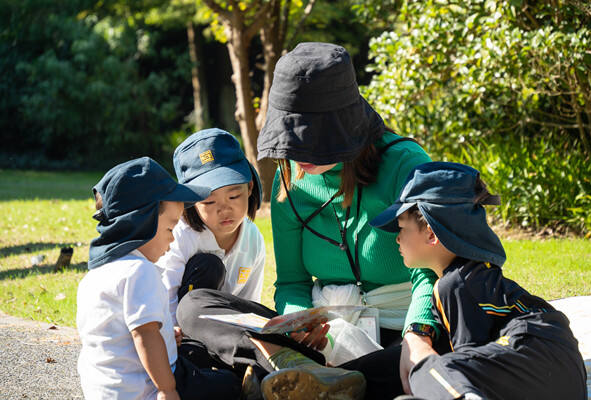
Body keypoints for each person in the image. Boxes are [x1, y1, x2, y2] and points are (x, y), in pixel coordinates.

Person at [175, 42, 438, 400]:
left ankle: (310, 383)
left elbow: (432, 272)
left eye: (312, 139)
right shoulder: (290, 182)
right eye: (291, 138)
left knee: (436, 356)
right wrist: (298, 325)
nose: (298, 154)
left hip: (404, 332)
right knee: (195, 306)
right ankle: (303, 372)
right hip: (319, 340)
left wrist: (418, 337)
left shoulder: (405, 164)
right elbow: (293, 284)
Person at [370, 161, 588, 400]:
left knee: (427, 369)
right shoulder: (467, 276)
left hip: (535, 351)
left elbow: (466, 363)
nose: (397, 239)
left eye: (401, 228)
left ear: (431, 234)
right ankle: (341, 376)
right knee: (411, 358)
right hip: (557, 370)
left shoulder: (456, 282)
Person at [76, 157, 241, 400]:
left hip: (105, 390)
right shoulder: (139, 271)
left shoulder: (95, 276)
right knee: (229, 386)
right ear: (143, 223)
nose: (172, 240)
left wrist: (165, 334)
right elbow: (144, 335)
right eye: (169, 229)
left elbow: (116, 336)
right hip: (146, 388)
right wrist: (167, 389)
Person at [157, 128, 265, 327]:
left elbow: (249, 303)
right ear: (190, 202)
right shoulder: (179, 236)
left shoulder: (253, 238)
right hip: (185, 330)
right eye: (209, 202)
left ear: (250, 187)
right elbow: (166, 297)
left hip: (226, 329)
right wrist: (172, 337)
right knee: (208, 266)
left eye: (233, 196)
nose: (224, 209)